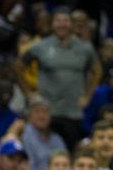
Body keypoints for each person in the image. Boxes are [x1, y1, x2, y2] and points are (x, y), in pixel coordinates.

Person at [19, 8, 101, 148]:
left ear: (72, 24)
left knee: (69, 152)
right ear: (52, 24)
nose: (62, 24)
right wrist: (29, 93)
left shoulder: (85, 48)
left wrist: (88, 95)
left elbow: (97, 71)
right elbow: (18, 66)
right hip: (47, 113)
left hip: (73, 111)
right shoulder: (40, 46)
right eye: (58, 21)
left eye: (65, 21)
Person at [16, 96, 67, 170]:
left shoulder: (57, 139)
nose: (42, 115)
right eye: (37, 111)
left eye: (45, 112)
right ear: (29, 116)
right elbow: (29, 169)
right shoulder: (25, 136)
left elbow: (66, 163)